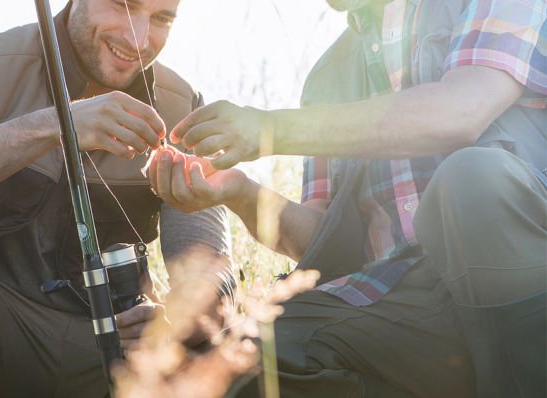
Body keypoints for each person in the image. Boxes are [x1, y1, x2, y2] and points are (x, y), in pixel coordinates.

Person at [149, 0, 546, 396]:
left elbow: (460, 112)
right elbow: (321, 244)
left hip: (522, 285)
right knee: (232, 364)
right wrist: (239, 192)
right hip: (407, 307)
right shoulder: (328, 76)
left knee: (471, 180)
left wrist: (270, 129)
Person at [0, 0, 234, 397]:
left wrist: (174, 320)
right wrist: (55, 125)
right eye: (123, 5)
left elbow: (211, 265)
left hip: (118, 356)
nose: (137, 38)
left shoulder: (181, 105)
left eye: (161, 18)